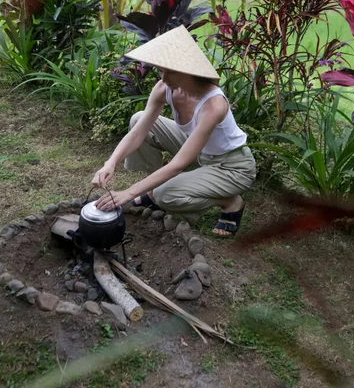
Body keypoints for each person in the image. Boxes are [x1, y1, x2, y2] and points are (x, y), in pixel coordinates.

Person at [92, 25, 256, 237]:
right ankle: (152, 188)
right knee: (138, 119)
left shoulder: (213, 104)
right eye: (161, 70)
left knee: (166, 195)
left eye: (172, 72)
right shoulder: (164, 88)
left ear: (190, 70)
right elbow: (138, 133)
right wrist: (110, 162)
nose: (164, 77)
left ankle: (230, 200)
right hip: (200, 151)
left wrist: (128, 193)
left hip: (232, 166)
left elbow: (178, 165)